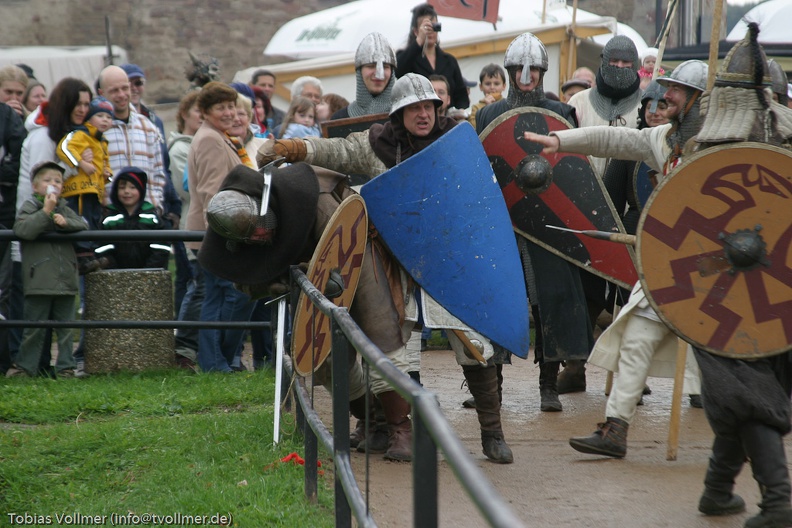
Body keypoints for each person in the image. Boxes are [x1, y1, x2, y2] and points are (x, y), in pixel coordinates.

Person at [257, 73, 514, 464]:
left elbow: (479, 200)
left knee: (475, 344)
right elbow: (336, 151)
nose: (423, 114)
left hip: (451, 262)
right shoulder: (378, 145)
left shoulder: (458, 142)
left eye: (428, 106)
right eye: (414, 108)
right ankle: (401, 431)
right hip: (395, 262)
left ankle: (492, 433)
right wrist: (294, 146)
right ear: (399, 113)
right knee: (395, 347)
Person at [523, 59, 710, 459]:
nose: (666, 95)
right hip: (671, 268)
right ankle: (616, 429)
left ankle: (746, 457)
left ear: (700, 98)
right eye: (667, 87)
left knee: (726, 370)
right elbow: (613, 141)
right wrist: (563, 141)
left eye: (676, 89)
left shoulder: (718, 147)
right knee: (637, 338)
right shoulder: (663, 139)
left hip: (716, 277)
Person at [476, 32, 594, 413]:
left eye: (533, 70)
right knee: (499, 300)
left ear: (543, 72)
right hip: (505, 221)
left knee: (550, 302)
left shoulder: (562, 113)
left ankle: (548, 384)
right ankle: (490, 386)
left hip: (549, 221)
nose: (526, 76)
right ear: (510, 71)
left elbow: (575, 173)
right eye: (518, 69)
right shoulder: (488, 115)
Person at [186, 81, 253, 373]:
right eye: (220, 108)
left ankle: (218, 361)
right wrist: (228, 233)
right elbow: (211, 192)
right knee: (227, 294)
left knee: (220, 294)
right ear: (205, 111)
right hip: (216, 231)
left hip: (216, 230)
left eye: (230, 106)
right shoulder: (211, 139)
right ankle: (216, 362)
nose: (228, 113)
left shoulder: (217, 136)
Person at [6, 161, 87, 378]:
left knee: (66, 329)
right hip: (38, 279)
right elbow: (23, 229)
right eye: (48, 180)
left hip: (65, 279)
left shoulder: (65, 209)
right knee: (34, 328)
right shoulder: (30, 207)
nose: (53, 184)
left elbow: (83, 225)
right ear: (35, 186)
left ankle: (66, 368)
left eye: (58, 181)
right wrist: (46, 212)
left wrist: (66, 223)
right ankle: (24, 368)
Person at [56, 96, 114, 273]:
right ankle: (81, 255)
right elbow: (64, 148)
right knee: (80, 219)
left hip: (94, 191)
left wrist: (106, 175)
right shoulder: (81, 134)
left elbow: (105, 164)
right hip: (78, 190)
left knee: (93, 219)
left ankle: (91, 253)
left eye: (109, 117)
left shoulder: (102, 142)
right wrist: (80, 163)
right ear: (89, 118)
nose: (105, 120)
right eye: (101, 115)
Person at [167, 90, 202, 369]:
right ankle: (185, 345)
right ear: (184, 114)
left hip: (205, 221)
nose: (202, 114)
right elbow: (187, 189)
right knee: (197, 286)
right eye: (197, 110)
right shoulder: (180, 149)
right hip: (194, 221)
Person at [396, 3, 469, 111]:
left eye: (433, 26)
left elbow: (461, 95)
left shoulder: (449, 61)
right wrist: (419, 40)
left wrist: (458, 112)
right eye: (426, 27)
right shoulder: (408, 57)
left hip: (447, 119)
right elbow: (398, 71)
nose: (430, 31)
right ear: (416, 31)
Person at [95, 167, 169, 270]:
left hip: (150, 274)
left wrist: (148, 271)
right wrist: (115, 271)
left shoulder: (152, 217)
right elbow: (103, 248)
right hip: (115, 276)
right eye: (122, 187)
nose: (127, 191)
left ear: (141, 190)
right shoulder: (109, 219)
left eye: (132, 187)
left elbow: (161, 248)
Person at [332, 32, 396, 120]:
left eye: (385, 67)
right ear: (360, 71)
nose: (379, 74)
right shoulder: (339, 118)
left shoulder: (403, 115)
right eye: (371, 66)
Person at [467, 63, 506, 129]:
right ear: (481, 87)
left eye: (496, 84)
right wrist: (488, 108)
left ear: (504, 86)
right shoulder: (476, 108)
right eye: (488, 84)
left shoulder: (507, 104)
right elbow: (473, 128)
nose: (492, 87)